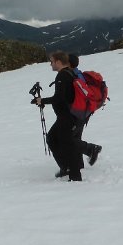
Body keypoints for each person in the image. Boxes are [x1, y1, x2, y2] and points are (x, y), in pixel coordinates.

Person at [33, 51, 82, 181]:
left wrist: (42, 101)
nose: (51, 64)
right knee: (53, 139)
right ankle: (66, 168)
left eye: (52, 61)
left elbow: (59, 98)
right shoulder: (70, 73)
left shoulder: (62, 76)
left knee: (66, 144)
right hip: (69, 115)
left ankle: (75, 176)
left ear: (58, 62)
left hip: (66, 117)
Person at [68, 53, 102, 166]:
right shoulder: (78, 73)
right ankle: (79, 164)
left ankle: (91, 149)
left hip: (78, 112)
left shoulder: (74, 76)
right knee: (76, 137)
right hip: (84, 112)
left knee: (69, 139)